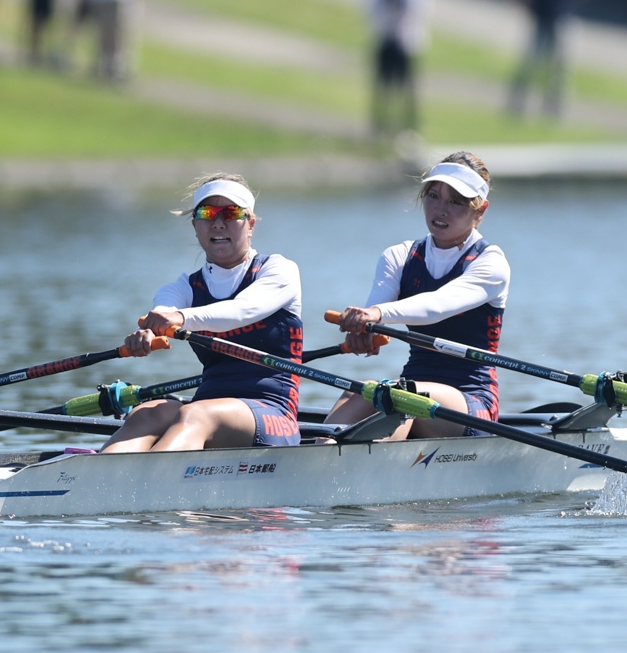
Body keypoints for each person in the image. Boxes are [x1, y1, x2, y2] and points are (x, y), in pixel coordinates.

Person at [100, 175, 306, 454]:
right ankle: (93, 476)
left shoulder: (279, 270)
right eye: (207, 213)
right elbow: (164, 310)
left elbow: (240, 310)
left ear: (251, 224)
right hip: (206, 404)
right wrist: (148, 330)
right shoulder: (183, 287)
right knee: (146, 412)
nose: (218, 222)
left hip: (272, 412)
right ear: (195, 226)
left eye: (231, 213)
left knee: (196, 415)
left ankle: (145, 477)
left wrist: (181, 318)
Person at [325, 152, 507, 442]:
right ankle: (319, 452)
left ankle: (368, 463)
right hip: (411, 387)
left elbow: (437, 305)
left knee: (402, 396)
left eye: (455, 202)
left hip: (471, 402)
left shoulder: (491, 263)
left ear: (480, 211)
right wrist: (366, 332)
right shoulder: (399, 256)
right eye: (433, 196)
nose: (440, 210)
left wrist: (376, 315)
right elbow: (377, 312)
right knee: (360, 391)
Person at [369, 0, 435, 139]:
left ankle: (409, 127)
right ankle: (380, 126)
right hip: (385, 38)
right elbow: (373, 8)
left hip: (406, 41)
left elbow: (419, 8)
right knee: (383, 85)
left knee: (407, 87)